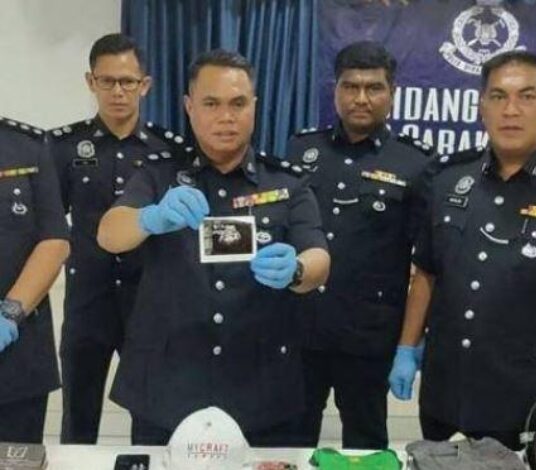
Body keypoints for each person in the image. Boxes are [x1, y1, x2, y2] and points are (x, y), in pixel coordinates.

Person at [388, 50, 536, 450]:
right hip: (446, 391)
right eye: (498, 96)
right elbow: (426, 272)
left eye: (527, 96)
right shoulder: (446, 177)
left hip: (528, 401)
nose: (511, 110)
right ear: (481, 107)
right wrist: (406, 347)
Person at [97, 49, 330, 446]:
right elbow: (108, 233)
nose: (226, 116)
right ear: (189, 107)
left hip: (260, 384)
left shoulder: (287, 183)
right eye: (211, 103)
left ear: (254, 106)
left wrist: (296, 271)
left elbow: (318, 257)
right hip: (168, 385)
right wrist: (150, 217)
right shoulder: (158, 174)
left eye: (238, 103)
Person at [285, 41, 430, 449]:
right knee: (288, 444)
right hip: (300, 329)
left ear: (392, 93)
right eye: (350, 86)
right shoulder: (302, 149)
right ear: (335, 90)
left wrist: (410, 342)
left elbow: (427, 262)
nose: (361, 98)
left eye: (374, 88)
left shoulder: (416, 163)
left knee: (366, 448)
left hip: (369, 338)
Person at [48, 33, 181, 444]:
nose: (118, 91)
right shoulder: (64, 147)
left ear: (146, 84)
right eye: (107, 81)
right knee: (78, 417)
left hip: (149, 300)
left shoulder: (170, 150)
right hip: (88, 300)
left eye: (127, 81)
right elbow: (49, 226)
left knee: (153, 416)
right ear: (91, 82)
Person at [0, 117, 70, 443]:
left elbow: (54, 241)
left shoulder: (26, 146)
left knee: (17, 459)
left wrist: (9, 314)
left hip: (15, 355)